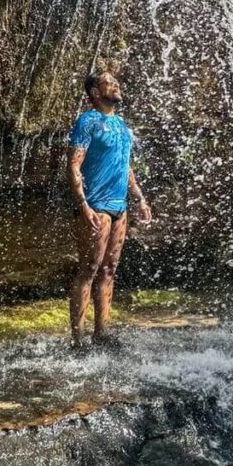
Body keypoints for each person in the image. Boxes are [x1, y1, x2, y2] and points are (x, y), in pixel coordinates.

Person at [66, 70, 152, 346]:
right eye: (109, 82)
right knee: (89, 268)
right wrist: (83, 206)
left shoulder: (122, 126)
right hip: (96, 206)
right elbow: (73, 165)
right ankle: (78, 339)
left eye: (116, 82)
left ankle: (102, 333)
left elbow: (125, 165)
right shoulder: (88, 121)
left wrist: (139, 197)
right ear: (94, 92)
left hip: (119, 207)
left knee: (109, 269)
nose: (116, 85)